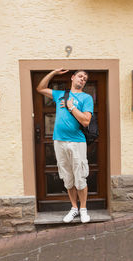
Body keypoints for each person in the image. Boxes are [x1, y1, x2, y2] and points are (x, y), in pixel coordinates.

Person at [36, 68, 94, 223]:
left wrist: (72, 107)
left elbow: (86, 121)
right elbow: (40, 88)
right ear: (72, 77)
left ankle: (83, 209)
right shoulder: (60, 94)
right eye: (80, 76)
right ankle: (74, 208)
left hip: (77, 142)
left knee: (80, 176)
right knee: (67, 177)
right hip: (59, 141)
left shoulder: (86, 98)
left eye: (85, 79)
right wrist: (53, 73)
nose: (82, 79)